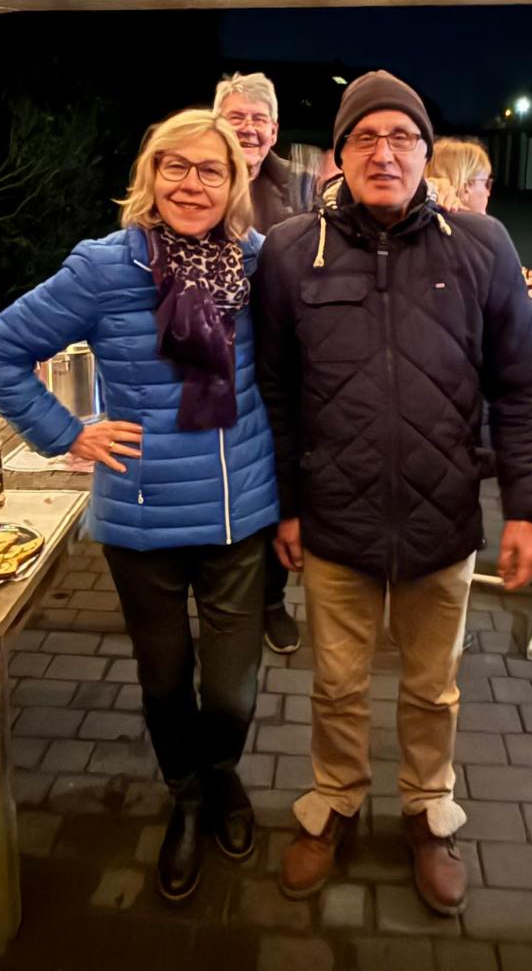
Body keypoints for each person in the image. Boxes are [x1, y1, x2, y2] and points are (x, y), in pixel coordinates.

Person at [255, 71, 532, 915]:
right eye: (364, 138)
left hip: (440, 512)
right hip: (335, 515)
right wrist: (286, 504)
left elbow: (520, 383)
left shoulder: (481, 245)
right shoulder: (292, 250)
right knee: (335, 685)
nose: (382, 153)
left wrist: (527, 509)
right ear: (339, 156)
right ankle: (334, 802)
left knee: (432, 686)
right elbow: (274, 389)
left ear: (427, 153)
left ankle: (428, 811)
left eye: (400, 138)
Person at [0, 108, 278, 903]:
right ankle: (186, 795)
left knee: (233, 687)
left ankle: (222, 773)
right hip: (141, 517)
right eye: (175, 166)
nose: (192, 183)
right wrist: (66, 432)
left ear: (234, 182)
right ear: (149, 175)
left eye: (210, 170)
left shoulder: (257, 261)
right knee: (165, 677)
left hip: (240, 511)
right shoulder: (107, 268)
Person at [214, 72, 300, 655]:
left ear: (273, 131)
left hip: (277, 356)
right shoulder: (195, 173)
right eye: (236, 117)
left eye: (258, 119)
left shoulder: (298, 186)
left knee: (274, 478)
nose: (248, 128)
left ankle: (271, 599)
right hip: (204, 359)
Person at [426, 136, 493, 215]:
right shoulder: (485, 223)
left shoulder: (422, 214)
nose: (488, 193)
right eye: (486, 184)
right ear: (467, 186)